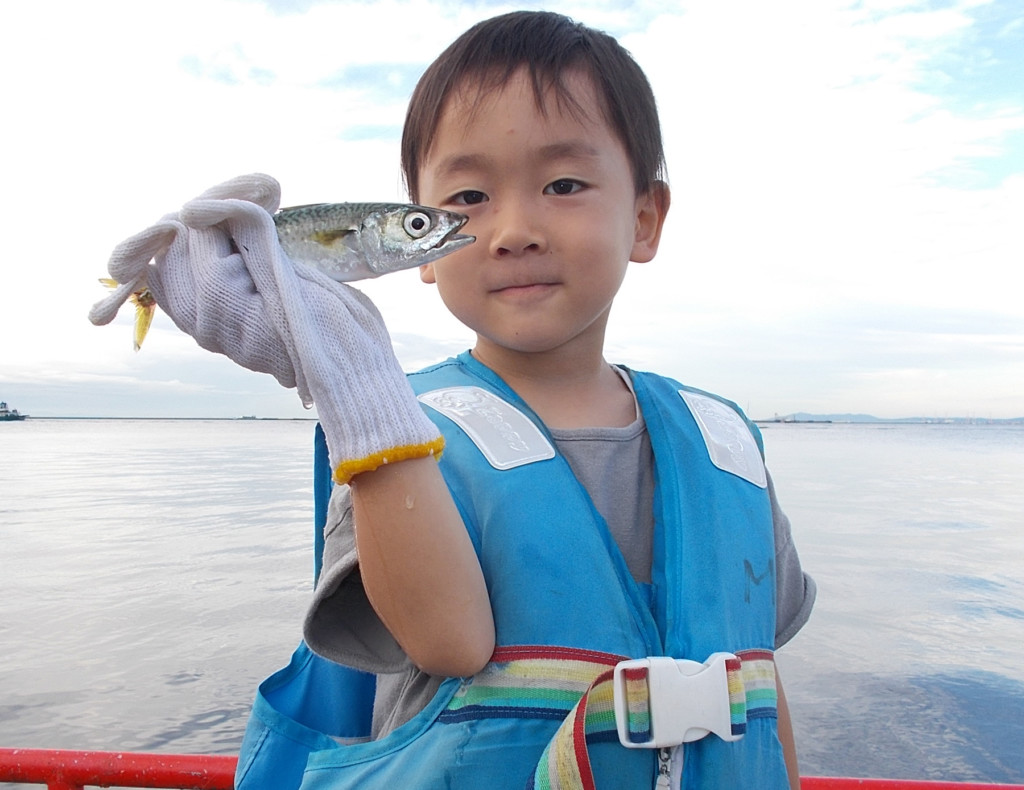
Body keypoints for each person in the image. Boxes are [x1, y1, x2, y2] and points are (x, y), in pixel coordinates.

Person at [98, 10, 814, 790]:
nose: (513, 230)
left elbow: (755, 682)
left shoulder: (724, 441)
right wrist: (358, 395)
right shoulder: (395, 432)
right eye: (468, 197)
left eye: (563, 184)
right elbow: (450, 642)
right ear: (427, 257)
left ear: (645, 219)